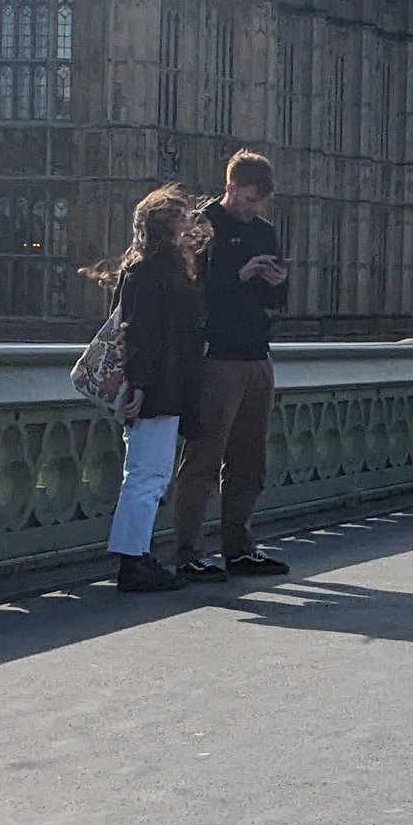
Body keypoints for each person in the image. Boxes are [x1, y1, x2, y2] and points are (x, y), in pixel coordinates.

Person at [174, 150, 290, 577]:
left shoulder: (264, 232)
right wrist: (238, 276)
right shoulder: (202, 227)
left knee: (249, 460)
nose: (252, 209)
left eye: (259, 202)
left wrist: (276, 284)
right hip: (216, 357)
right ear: (230, 187)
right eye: (247, 200)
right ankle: (188, 552)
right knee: (203, 460)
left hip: (257, 354)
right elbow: (191, 294)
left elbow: (275, 303)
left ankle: (239, 548)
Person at [95, 188, 209, 594]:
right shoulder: (149, 270)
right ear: (163, 224)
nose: (189, 221)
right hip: (154, 387)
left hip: (165, 384)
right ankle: (132, 562)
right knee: (146, 476)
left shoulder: (163, 266)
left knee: (151, 475)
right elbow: (137, 331)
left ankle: (138, 554)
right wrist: (139, 386)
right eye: (180, 216)